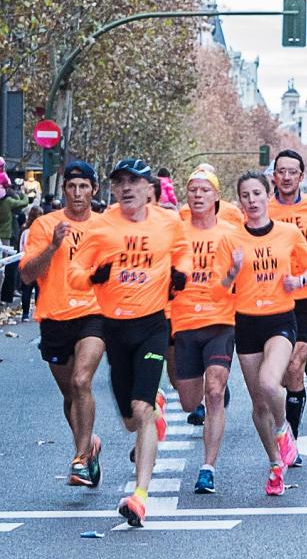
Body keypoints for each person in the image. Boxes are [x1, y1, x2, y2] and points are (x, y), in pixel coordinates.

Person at [68, 158, 190, 527]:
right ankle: (152, 407)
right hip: (115, 328)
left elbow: (181, 249)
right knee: (127, 420)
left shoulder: (167, 222)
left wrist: (180, 273)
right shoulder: (103, 226)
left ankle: (139, 496)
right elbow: (74, 272)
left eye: (133, 182)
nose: (125, 188)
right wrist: (92, 275)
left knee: (140, 411)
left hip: (153, 324)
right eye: (119, 182)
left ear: (149, 188)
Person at [20, 162, 105, 488]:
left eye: (84, 187)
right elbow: (27, 274)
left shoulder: (106, 225)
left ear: (93, 190)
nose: (78, 193)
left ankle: (80, 460)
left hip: (94, 314)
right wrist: (54, 245)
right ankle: (91, 445)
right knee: (70, 394)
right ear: (64, 190)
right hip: (55, 317)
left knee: (83, 380)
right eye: (72, 187)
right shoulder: (45, 225)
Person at [231, 172, 307, 495]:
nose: (252, 200)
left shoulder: (288, 232)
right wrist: (231, 272)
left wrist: (299, 281)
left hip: (280, 318)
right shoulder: (232, 237)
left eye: (256, 193)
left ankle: (284, 431)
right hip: (245, 321)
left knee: (270, 382)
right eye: (245, 195)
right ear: (239, 201)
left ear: (268, 196)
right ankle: (274, 464)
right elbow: (222, 284)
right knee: (258, 402)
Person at [169, 166, 238, 494]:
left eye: (204, 190)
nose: (197, 195)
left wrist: (234, 275)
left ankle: (207, 467)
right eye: (192, 190)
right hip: (183, 323)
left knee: (214, 392)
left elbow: (238, 279)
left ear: (216, 197)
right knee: (188, 401)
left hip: (220, 320)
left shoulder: (229, 233)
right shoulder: (174, 233)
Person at [267, 149, 307, 461]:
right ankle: (283, 428)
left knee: (294, 367)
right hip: (270, 301)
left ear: (302, 177)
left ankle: (290, 437)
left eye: (293, 171)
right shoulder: (260, 209)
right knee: (278, 376)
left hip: (306, 299)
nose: (287, 176)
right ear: (274, 176)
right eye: (282, 171)